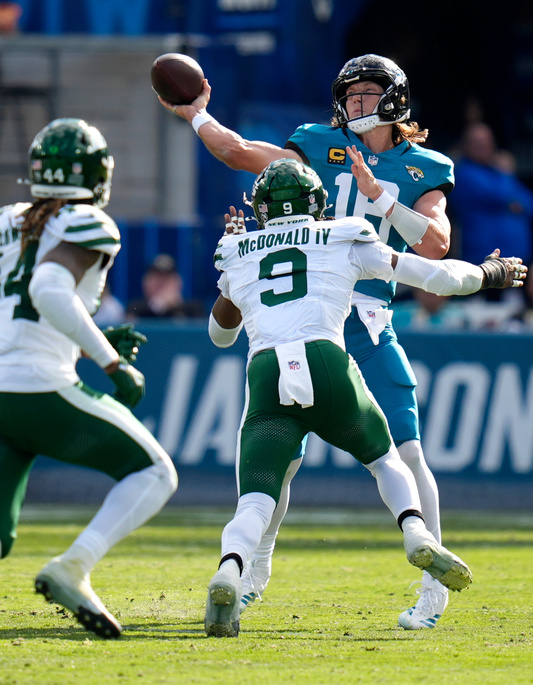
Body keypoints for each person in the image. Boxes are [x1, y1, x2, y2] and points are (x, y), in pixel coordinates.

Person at [163, 53, 462, 629]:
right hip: (304, 315)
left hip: (367, 317)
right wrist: (200, 115)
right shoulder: (316, 143)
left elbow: (436, 244)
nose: (356, 104)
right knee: (281, 464)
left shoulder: (424, 165)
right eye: (350, 94)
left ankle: (432, 585)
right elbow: (241, 153)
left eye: (368, 94)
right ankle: (253, 575)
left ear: (395, 99)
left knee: (408, 451)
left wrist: (383, 199)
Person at [0, 118, 178, 679]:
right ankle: (74, 567)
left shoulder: (5, 219)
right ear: (95, 174)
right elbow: (47, 290)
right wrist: (108, 360)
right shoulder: (88, 219)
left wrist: (69, 340)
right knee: (154, 474)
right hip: (36, 388)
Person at [203, 158, 525, 637]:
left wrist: (234, 271)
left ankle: (230, 569)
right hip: (329, 362)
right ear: (317, 203)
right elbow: (431, 275)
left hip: (268, 372)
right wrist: (488, 273)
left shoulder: (237, 249)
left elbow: (220, 336)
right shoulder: (343, 235)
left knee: (255, 499)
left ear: (261, 209)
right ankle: (415, 532)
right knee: (386, 460)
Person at [450, 121, 533, 266]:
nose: (483, 145)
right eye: (477, 141)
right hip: (483, 259)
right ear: (465, 145)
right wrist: (506, 173)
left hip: (516, 257)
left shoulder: (497, 172)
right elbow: (500, 195)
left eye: (487, 140)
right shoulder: (463, 173)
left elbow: (531, 204)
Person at [125, 253, 205, 320]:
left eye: (166, 279)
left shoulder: (193, 309)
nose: (161, 284)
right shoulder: (136, 309)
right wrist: (156, 307)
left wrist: (173, 307)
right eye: (156, 278)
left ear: (178, 282)